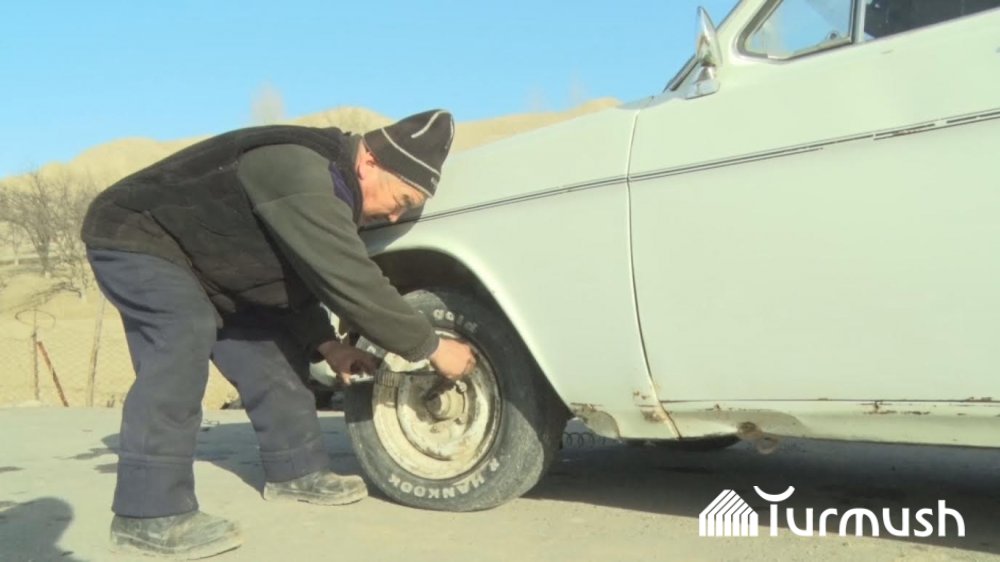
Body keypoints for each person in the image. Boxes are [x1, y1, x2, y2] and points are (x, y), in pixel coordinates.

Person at [80, 109, 477, 559]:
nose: (396, 213)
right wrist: (429, 346)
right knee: (182, 334)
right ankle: (147, 515)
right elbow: (347, 277)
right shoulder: (301, 169)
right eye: (402, 198)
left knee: (271, 354)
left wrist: (328, 345)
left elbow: (291, 282)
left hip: (216, 268)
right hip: (138, 236)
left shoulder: (335, 193)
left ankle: (296, 472)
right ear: (370, 162)